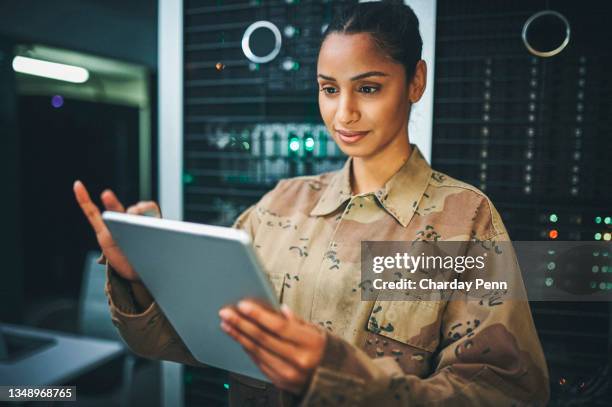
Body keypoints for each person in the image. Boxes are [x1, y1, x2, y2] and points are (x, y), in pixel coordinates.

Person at [74, 1, 549, 405]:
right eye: (328, 89)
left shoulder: (464, 219)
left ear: (415, 82)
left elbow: (504, 391)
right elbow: (200, 338)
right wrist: (144, 278)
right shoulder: (282, 204)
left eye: (368, 88)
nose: (343, 113)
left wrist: (340, 378)